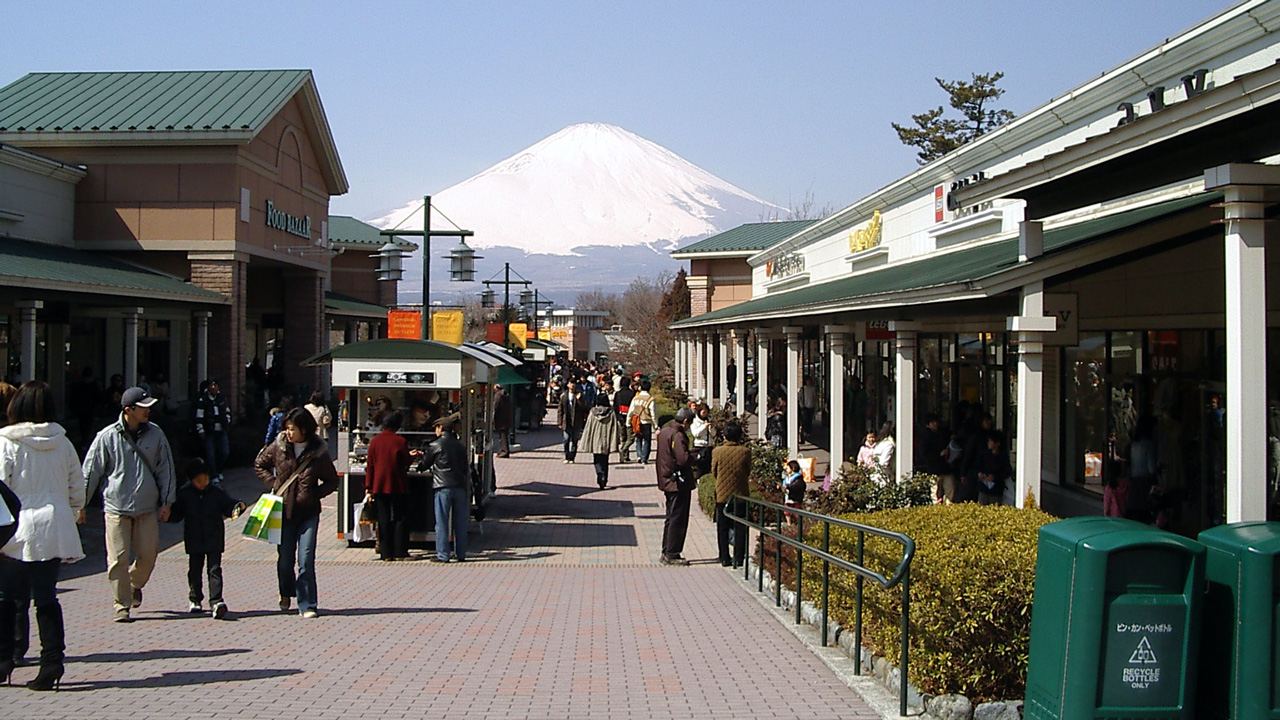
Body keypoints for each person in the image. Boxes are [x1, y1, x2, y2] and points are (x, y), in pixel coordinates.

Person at [0, 382, 85, 690]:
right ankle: (52, 663)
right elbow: (77, 483)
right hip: (55, 524)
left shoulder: (7, 442)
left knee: (7, 597)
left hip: (16, 526)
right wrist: (74, 508)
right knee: (46, 598)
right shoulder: (62, 441)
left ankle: (4, 659)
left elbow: (0, 489)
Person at [83, 386, 176, 623]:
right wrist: (79, 504)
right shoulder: (107, 436)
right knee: (118, 559)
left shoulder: (156, 434)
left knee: (148, 556)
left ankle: (134, 584)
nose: (148, 411)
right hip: (116, 507)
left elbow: (166, 468)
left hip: (147, 507)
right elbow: (91, 472)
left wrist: (167, 501)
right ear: (128, 410)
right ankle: (121, 604)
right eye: (142, 407)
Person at [254, 407, 339, 618]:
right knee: (285, 560)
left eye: (293, 429)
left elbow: (332, 480)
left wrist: (313, 494)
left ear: (304, 429)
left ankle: (308, 603)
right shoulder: (279, 446)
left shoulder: (318, 451)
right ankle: (285, 592)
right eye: (287, 429)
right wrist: (274, 484)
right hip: (283, 512)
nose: (289, 433)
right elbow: (259, 464)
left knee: (306, 559)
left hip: (309, 512)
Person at [167, 458, 245, 619]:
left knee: (214, 570)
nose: (203, 483)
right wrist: (167, 515)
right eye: (198, 481)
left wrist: (238, 506)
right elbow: (177, 514)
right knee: (195, 570)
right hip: (193, 537)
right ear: (190, 480)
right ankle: (195, 599)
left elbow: (228, 507)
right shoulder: (184, 494)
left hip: (214, 537)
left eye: (205, 479)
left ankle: (216, 601)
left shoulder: (216, 492)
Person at [364, 411, 419, 562]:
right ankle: (400, 551)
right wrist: (412, 455)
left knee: (383, 519)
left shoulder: (374, 442)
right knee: (400, 517)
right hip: (398, 484)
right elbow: (405, 461)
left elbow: (370, 466)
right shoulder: (400, 441)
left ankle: (385, 552)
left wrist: (368, 487)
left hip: (380, 485)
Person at [420, 415, 469, 563]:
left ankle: (443, 554)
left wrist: (420, 463)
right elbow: (465, 468)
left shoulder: (436, 445)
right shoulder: (460, 445)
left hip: (442, 486)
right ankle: (461, 554)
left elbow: (424, 464)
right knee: (460, 522)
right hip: (460, 487)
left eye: (436, 428)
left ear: (441, 429)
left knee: (441, 521)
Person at [655, 407, 696, 566]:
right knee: (678, 518)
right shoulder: (678, 435)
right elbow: (682, 459)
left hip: (667, 479)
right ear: (685, 421)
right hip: (677, 483)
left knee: (670, 517)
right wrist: (695, 455)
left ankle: (667, 551)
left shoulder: (665, 431)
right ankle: (672, 553)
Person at [712, 422, 751, 568]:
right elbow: (748, 470)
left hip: (722, 493)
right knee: (740, 526)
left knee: (723, 526)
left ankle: (724, 557)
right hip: (741, 493)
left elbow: (714, 471)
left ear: (725, 436)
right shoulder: (745, 452)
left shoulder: (717, 451)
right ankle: (739, 557)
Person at [194, 379, 231, 483]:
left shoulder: (222, 399)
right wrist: (200, 429)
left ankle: (219, 471)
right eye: (211, 385)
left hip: (221, 431)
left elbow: (227, 411)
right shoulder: (203, 400)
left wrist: (227, 421)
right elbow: (199, 416)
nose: (214, 387)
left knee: (224, 452)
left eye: (215, 385)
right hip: (209, 431)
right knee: (210, 454)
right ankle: (213, 474)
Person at [580, 395, 620, 489]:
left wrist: (586, 439)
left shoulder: (593, 413)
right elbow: (615, 428)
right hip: (606, 440)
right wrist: (616, 440)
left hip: (595, 440)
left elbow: (588, 427)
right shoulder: (611, 412)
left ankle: (599, 475)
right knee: (605, 460)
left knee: (597, 460)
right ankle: (604, 478)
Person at [917, 414, 953, 502]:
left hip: (945, 467)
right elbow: (924, 454)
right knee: (935, 490)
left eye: (936, 422)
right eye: (932, 423)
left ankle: (949, 505)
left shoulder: (943, 434)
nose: (935, 424)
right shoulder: (925, 437)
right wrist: (939, 455)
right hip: (934, 468)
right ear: (928, 425)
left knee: (950, 487)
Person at [975, 430, 1011, 505]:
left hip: (996, 489)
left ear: (997, 443)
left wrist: (995, 477)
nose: (989, 443)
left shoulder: (1003, 457)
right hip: (983, 487)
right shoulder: (984, 454)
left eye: (991, 441)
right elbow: (978, 466)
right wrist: (980, 473)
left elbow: (1007, 472)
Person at [627, 379, 656, 465]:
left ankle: (639, 456)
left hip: (636, 422)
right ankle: (644, 458)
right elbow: (653, 413)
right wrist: (656, 424)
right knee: (647, 440)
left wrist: (628, 422)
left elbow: (631, 411)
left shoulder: (636, 398)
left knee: (638, 439)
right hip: (646, 422)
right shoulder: (650, 399)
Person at [69, 368, 100, 447]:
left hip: (83, 408)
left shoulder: (79, 385)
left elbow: (73, 397)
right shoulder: (93, 385)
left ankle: (85, 440)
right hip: (88, 408)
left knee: (83, 425)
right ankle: (86, 440)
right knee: (88, 425)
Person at [557, 381, 587, 464]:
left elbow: (584, 408)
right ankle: (567, 456)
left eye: (573, 384)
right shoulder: (564, 396)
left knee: (574, 440)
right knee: (566, 439)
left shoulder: (579, 395)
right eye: (571, 383)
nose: (572, 385)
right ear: (567, 385)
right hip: (566, 420)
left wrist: (578, 400)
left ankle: (572, 457)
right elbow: (560, 410)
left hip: (576, 421)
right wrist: (559, 422)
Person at [612, 377, 636, 463]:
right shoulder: (632, 394)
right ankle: (624, 452)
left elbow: (615, 406)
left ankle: (624, 454)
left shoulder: (618, 394)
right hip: (630, 418)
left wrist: (617, 417)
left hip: (621, 417)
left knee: (624, 437)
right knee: (631, 437)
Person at [689, 403, 714, 477]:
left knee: (708, 468)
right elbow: (696, 434)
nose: (705, 414)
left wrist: (711, 428)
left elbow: (713, 434)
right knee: (700, 468)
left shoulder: (709, 420)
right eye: (703, 412)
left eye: (707, 412)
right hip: (699, 446)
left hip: (709, 446)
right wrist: (704, 426)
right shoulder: (695, 422)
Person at [492, 386, 512, 458]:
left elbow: (495, 406)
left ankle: (504, 451)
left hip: (500, 419)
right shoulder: (506, 395)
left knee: (502, 436)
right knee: (504, 435)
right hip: (507, 418)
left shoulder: (498, 395)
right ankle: (502, 450)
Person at [798, 376, 818, 441]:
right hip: (805, 406)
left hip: (811, 406)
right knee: (805, 419)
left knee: (810, 420)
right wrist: (801, 405)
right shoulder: (803, 389)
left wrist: (815, 406)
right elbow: (799, 397)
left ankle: (808, 431)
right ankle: (805, 431)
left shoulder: (813, 389)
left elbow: (815, 397)